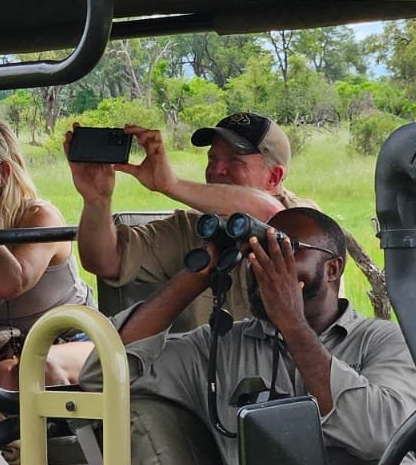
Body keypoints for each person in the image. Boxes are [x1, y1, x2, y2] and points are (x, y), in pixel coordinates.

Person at [82, 207, 416, 465]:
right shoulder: (219, 347)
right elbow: (104, 376)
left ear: (333, 268)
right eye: (256, 252)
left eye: (287, 250)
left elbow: (377, 435)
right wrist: (194, 277)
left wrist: (293, 324)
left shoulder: (384, 341)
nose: (265, 264)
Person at [70, 112, 300, 332]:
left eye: (235, 161)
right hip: (202, 368)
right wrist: (96, 201)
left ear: (274, 177)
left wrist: (171, 185)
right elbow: (105, 261)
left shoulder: (305, 219)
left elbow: (269, 212)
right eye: (213, 158)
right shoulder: (194, 227)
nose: (217, 169)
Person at [0, 114, 94, 384]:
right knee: (4, 373)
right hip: (11, 352)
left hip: (76, 340)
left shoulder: (39, 216)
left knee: (32, 370)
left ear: (2, 174)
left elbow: (10, 283)